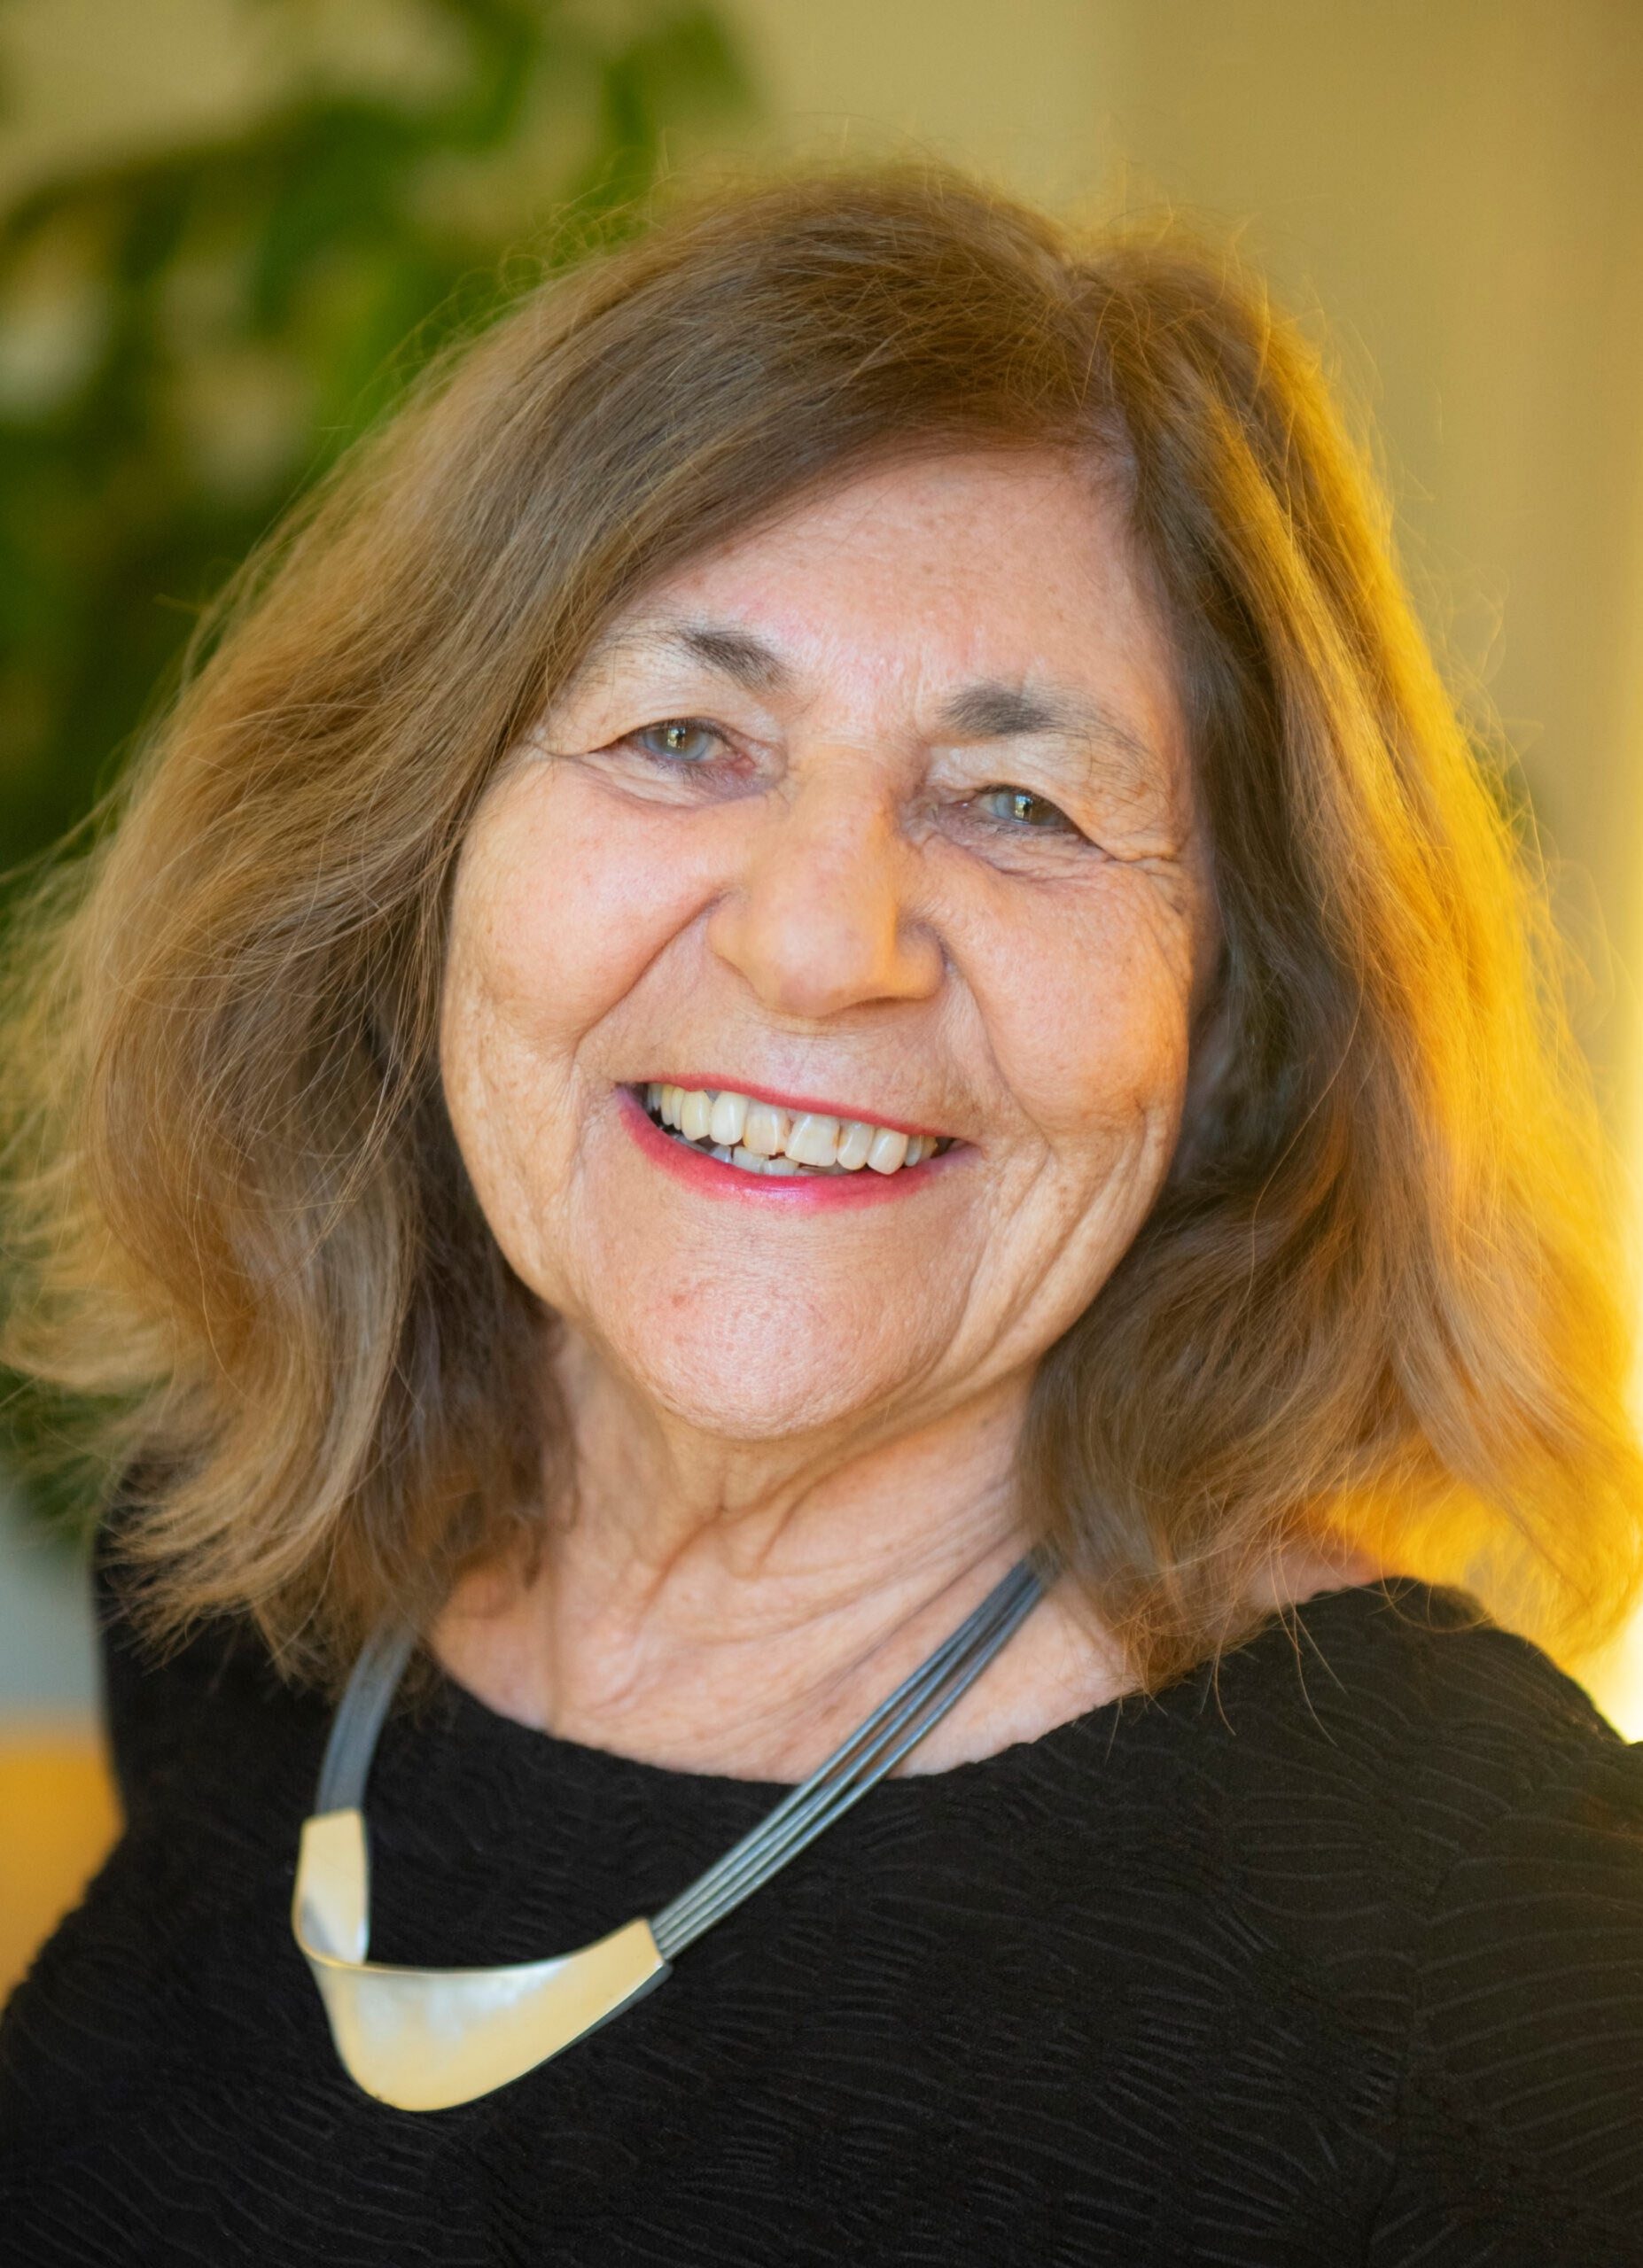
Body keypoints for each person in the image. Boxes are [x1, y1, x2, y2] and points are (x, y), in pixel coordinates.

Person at [1, 168, 1640, 2265]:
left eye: (1018, 804)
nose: (818, 942)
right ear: (410, 864)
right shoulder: (254, 1587)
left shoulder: (1473, 1943)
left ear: (1240, 1015)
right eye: (686, 737)